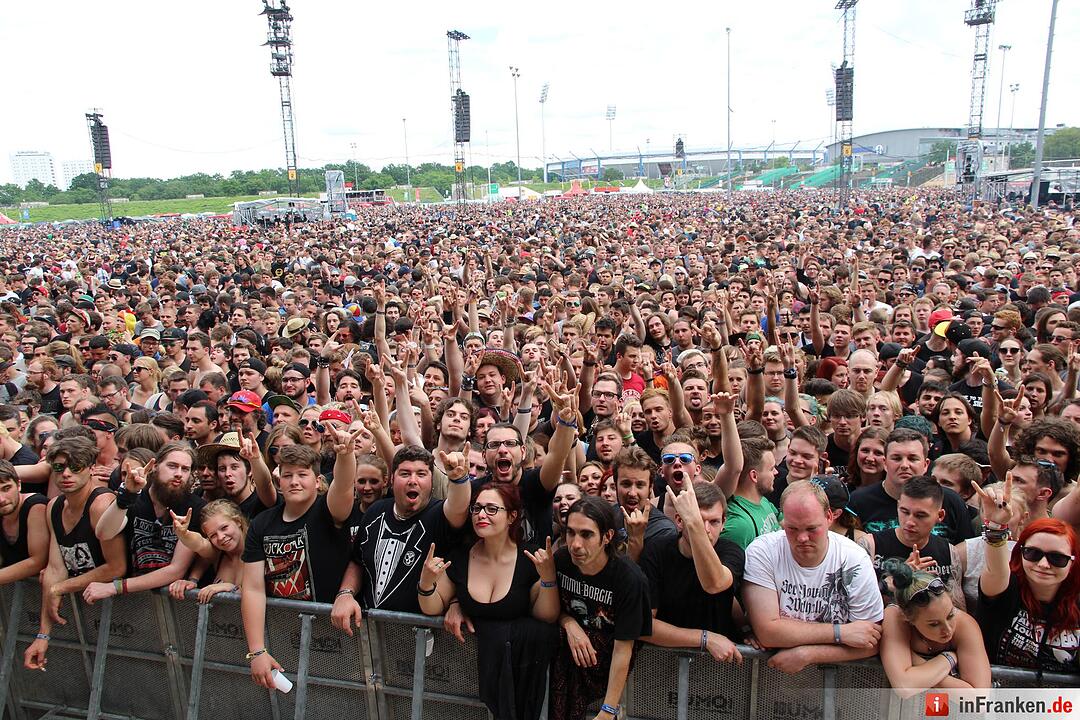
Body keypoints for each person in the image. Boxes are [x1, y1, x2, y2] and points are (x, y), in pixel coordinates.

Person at [418, 483, 559, 720]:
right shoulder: (460, 557)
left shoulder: (531, 559)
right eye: (477, 508)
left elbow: (546, 616)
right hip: (462, 683)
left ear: (512, 516)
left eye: (492, 509)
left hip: (519, 685)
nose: (481, 515)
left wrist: (548, 579)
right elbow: (431, 607)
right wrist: (426, 583)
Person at [241, 429, 360, 690]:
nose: (294, 481)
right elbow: (252, 587)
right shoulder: (262, 523)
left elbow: (342, 486)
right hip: (282, 634)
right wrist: (257, 651)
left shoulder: (327, 510)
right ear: (279, 483)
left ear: (317, 481)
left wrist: (345, 455)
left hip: (335, 637)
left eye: (302, 475)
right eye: (287, 475)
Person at [743, 481, 884, 674]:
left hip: (838, 683)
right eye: (792, 529)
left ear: (829, 517)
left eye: (811, 529)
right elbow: (768, 632)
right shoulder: (763, 551)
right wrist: (840, 633)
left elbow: (870, 640)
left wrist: (808, 654)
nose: (802, 538)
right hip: (772, 675)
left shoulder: (855, 559)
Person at [24, 436, 128, 672]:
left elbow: (116, 567)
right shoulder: (54, 506)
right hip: (86, 611)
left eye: (76, 467)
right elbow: (55, 568)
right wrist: (43, 635)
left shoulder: (101, 503)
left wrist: (62, 588)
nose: (66, 474)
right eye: (59, 468)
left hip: (123, 612)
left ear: (91, 468)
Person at [549, 496, 651, 720]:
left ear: (607, 537)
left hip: (608, 664)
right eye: (570, 532)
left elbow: (624, 648)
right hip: (566, 664)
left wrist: (608, 709)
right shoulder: (563, 560)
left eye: (586, 534)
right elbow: (549, 608)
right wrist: (569, 623)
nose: (575, 544)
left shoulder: (629, 579)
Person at [974, 476, 1080, 674]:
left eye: (1057, 558)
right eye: (1033, 553)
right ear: (1019, 553)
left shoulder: (1077, 600)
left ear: (1073, 562)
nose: (1043, 564)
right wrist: (996, 527)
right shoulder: (1007, 587)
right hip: (1000, 701)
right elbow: (995, 570)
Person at [641, 483, 744, 663]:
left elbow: (716, 584)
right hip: (663, 665)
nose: (705, 530)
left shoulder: (731, 552)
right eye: (697, 520)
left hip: (717, 667)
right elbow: (643, 624)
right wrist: (705, 639)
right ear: (679, 521)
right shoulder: (657, 550)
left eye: (714, 522)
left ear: (724, 523)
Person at [878, 560, 991, 698]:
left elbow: (980, 700)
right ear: (908, 618)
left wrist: (917, 664)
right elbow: (905, 687)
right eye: (934, 624)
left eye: (950, 615)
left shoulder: (964, 624)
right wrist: (948, 658)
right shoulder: (895, 616)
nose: (948, 629)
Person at [168, 499, 249, 603]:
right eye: (213, 535)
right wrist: (183, 534)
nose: (220, 537)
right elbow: (200, 544)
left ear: (238, 521)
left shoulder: (259, 550)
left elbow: (261, 592)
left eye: (224, 528)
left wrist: (231, 588)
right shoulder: (217, 553)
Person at [0, 458, 49, 585]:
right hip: (17, 591)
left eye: (6, 488)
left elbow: (37, 561)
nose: (2, 499)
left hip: (51, 590)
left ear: (19, 485)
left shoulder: (35, 506)